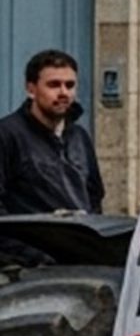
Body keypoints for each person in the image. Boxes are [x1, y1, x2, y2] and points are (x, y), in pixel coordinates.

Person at [0, 50, 103, 268]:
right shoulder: (7, 136)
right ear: (31, 89)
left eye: (70, 85)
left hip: (79, 263)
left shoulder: (79, 137)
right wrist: (30, 257)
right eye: (54, 85)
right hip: (27, 269)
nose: (64, 92)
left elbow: (94, 197)